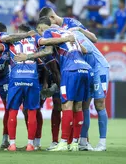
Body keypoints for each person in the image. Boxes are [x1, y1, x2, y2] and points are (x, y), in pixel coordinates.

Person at [16, 17, 92, 152]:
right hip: (84, 69)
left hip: (70, 70)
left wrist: (27, 57)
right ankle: (74, 143)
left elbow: (47, 51)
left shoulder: (47, 33)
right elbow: (85, 51)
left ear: (40, 28)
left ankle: (63, 143)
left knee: (67, 105)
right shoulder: (68, 33)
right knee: (78, 106)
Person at [39, 7, 109, 151]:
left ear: (51, 18)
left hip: (98, 66)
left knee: (99, 104)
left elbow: (93, 41)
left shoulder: (70, 23)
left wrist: (79, 30)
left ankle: (102, 142)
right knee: (83, 105)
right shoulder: (60, 32)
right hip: (84, 67)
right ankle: (83, 141)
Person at [8, 23, 74, 151]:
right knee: (33, 110)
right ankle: (31, 144)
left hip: (16, 78)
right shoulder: (35, 39)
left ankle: (12, 144)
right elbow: (48, 42)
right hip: (32, 78)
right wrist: (66, 38)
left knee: (13, 111)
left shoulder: (10, 40)